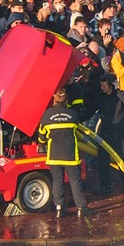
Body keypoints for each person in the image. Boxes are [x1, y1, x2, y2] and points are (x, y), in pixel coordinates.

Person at [40, 87, 86, 216]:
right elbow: (77, 130)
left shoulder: (47, 115)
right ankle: (81, 208)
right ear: (66, 100)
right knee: (75, 182)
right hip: (71, 155)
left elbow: (41, 136)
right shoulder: (73, 114)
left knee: (57, 181)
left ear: (54, 100)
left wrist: (43, 141)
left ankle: (59, 208)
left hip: (54, 156)